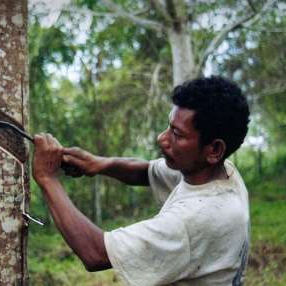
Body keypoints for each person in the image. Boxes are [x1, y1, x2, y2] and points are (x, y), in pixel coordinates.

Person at [32, 76, 250, 286]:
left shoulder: (195, 219)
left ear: (214, 149)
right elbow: (146, 171)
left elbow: (95, 253)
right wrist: (99, 164)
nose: (162, 139)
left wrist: (47, 178)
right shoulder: (219, 171)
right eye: (168, 127)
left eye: (177, 134)